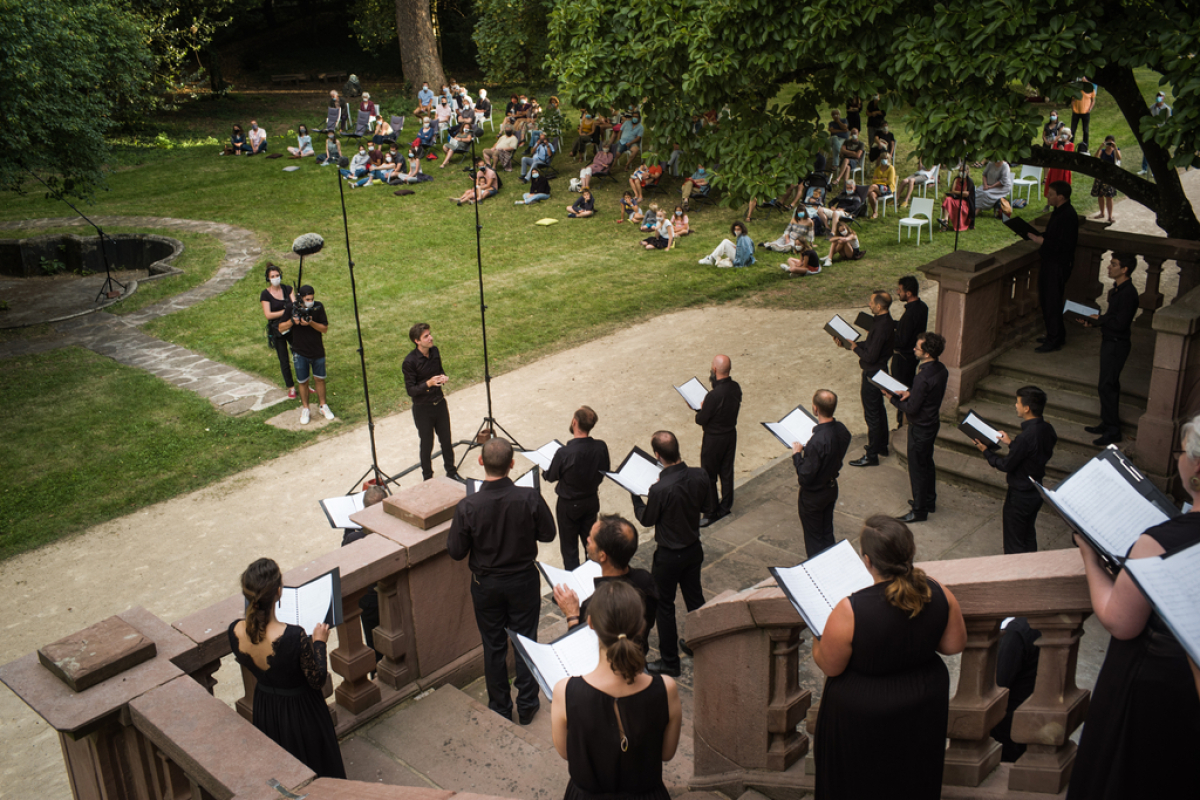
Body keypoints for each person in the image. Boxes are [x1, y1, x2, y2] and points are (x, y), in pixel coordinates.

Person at [1066, 415, 1200, 800]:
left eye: (1181, 452)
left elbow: (1120, 620)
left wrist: (1090, 556)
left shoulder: (1159, 542)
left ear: (1197, 468)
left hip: (1157, 688)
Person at [813, 516, 967, 800]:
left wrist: (818, 637)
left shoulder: (851, 610)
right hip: (922, 704)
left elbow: (830, 665)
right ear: (909, 552)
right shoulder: (938, 591)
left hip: (863, 715)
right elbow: (954, 644)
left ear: (868, 561)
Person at [447, 437, 556, 724]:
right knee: (526, 641)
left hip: (487, 586)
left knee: (493, 645)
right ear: (512, 464)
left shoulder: (468, 506)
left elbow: (456, 551)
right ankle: (529, 703)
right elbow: (548, 534)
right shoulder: (529, 497)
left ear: (481, 461)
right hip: (523, 582)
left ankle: (500, 707)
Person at [550, 581, 682, 800]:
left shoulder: (565, 691)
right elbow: (667, 754)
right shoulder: (666, 688)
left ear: (590, 623)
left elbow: (566, 753)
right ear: (641, 625)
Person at [228, 558, 346, 778]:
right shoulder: (293, 636)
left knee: (283, 773)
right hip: (302, 712)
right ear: (279, 593)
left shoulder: (235, 630)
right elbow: (317, 680)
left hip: (266, 707)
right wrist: (319, 642)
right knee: (317, 770)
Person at [631, 431, 716, 677]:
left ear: (657, 456)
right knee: (695, 599)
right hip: (693, 548)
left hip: (668, 556)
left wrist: (636, 497)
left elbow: (647, 519)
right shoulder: (700, 475)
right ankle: (703, 645)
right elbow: (709, 508)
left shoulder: (660, 489)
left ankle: (670, 661)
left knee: (664, 607)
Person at [553, 515, 658, 652]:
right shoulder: (646, 580)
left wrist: (572, 616)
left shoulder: (595, 605)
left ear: (603, 556)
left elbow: (586, 649)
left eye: (592, 539)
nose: (587, 540)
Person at [972, 385, 1057, 554]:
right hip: (1036, 490)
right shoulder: (1047, 429)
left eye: (1017, 402)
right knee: (1028, 535)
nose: (1015, 405)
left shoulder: (1025, 438)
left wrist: (986, 452)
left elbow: (1006, 465)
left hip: (1020, 495)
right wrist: (1011, 443)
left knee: (1014, 541)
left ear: (1027, 408)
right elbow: (1031, 455)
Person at [883, 333, 948, 522]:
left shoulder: (922, 377)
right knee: (927, 463)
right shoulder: (940, 369)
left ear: (927, 353)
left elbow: (911, 408)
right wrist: (910, 392)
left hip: (920, 427)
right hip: (932, 423)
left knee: (918, 468)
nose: (914, 349)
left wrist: (892, 398)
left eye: (918, 347)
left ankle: (920, 510)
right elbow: (925, 393)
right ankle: (929, 500)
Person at [1079, 251, 1138, 446]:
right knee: (1105, 384)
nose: (1109, 267)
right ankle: (1107, 423)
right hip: (1110, 341)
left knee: (1108, 385)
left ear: (1125, 269)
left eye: (1113, 264)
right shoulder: (1117, 290)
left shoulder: (1129, 293)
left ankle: (1113, 430)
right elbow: (1112, 319)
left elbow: (1120, 323)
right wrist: (1095, 323)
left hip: (1117, 344)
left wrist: (1099, 320)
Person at [833, 290, 896, 466]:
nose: (869, 305)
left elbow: (870, 356)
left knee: (872, 414)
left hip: (873, 373)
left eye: (871, 302)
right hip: (879, 371)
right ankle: (881, 445)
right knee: (878, 410)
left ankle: (872, 453)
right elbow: (871, 346)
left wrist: (854, 347)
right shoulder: (885, 322)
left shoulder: (881, 326)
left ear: (879, 305)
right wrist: (850, 345)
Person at [545, 406, 611, 570]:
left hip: (568, 506)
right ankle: (593, 581)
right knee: (591, 545)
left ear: (574, 422)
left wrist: (546, 472)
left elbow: (551, 476)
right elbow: (605, 470)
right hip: (590, 501)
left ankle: (575, 586)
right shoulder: (600, 447)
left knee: (569, 549)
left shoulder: (564, 453)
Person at [792, 389, 852, 556]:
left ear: (815, 409)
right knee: (826, 532)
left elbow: (805, 476)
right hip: (830, 488)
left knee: (814, 540)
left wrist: (797, 455)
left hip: (814, 496)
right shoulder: (841, 430)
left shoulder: (818, 441)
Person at [1028, 180, 1079, 353]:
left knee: (1052, 301)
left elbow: (1063, 244)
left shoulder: (1067, 215)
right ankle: (1055, 334)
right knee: (1048, 300)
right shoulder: (1060, 212)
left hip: (1058, 265)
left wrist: (1042, 241)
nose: (1047, 197)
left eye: (1050, 194)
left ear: (1061, 197)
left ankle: (1054, 339)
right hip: (1051, 262)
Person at [339, 485, 389, 663]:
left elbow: (345, 555)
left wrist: (348, 528)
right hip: (387, 594)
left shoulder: (354, 538)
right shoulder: (391, 529)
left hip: (368, 600)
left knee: (372, 642)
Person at [403, 323, 459, 481]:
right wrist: (428, 383)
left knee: (446, 441)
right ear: (417, 341)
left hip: (439, 403)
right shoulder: (410, 362)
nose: (430, 338)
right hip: (423, 409)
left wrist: (443, 377)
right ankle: (427, 478)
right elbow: (411, 390)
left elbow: (440, 370)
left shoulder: (434, 351)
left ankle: (451, 471)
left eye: (429, 334)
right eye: (426, 336)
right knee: (427, 444)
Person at [276, 285, 333, 425]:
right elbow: (280, 328)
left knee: (320, 379)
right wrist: (292, 322)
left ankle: (323, 406)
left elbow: (324, 329)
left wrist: (311, 323)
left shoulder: (318, 307)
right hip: (300, 351)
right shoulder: (291, 308)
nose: (311, 301)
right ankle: (306, 408)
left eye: (312, 299)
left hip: (317, 350)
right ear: (301, 298)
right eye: (308, 299)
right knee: (303, 381)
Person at [695, 355, 741, 527]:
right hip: (730, 435)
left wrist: (701, 408)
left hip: (714, 439)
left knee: (709, 474)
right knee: (727, 472)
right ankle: (725, 506)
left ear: (714, 369)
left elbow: (701, 419)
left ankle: (711, 511)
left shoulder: (713, 396)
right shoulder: (735, 387)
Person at [890, 276, 928, 426]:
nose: (898, 293)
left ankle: (902, 424)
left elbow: (902, 340)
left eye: (900, 290)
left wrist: (884, 335)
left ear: (909, 293)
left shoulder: (910, 313)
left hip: (902, 360)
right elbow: (906, 327)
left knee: (900, 392)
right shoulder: (922, 307)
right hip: (911, 358)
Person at [260, 264, 297, 400]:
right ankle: (291, 387)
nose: (276, 278)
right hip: (277, 330)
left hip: (291, 327)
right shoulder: (265, 294)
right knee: (284, 359)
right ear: (268, 279)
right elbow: (268, 315)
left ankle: (303, 382)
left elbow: (295, 306)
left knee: (298, 354)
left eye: (277, 275)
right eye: (272, 277)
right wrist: (286, 310)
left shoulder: (288, 289)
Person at [1090, 136, 1121, 222]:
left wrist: (1115, 148)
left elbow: (1119, 158)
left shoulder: (1116, 150)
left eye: (1111, 143)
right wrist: (1100, 147)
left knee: (1109, 196)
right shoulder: (1102, 151)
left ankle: (1110, 216)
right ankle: (1102, 213)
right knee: (1100, 196)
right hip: (1100, 176)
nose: (1109, 145)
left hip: (1110, 176)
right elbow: (1095, 158)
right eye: (1108, 143)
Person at [1043, 128, 1074, 211]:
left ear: (1069, 136)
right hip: (1055, 169)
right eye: (1063, 133)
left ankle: (1062, 205)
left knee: (1063, 188)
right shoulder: (1056, 144)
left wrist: (1062, 149)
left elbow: (1069, 157)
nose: (1064, 135)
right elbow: (1052, 155)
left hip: (1064, 170)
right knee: (1052, 186)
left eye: (1066, 134)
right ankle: (1048, 204)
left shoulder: (1071, 145)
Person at [1140, 92, 1171, 175]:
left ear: (1163, 98)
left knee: (1160, 151)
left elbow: (1169, 121)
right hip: (1153, 131)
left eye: (1160, 96)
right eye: (1157, 96)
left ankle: (1158, 170)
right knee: (1148, 148)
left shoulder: (1166, 109)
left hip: (1161, 132)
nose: (1158, 98)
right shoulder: (1152, 107)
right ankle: (1144, 168)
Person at [1070, 77, 1096, 152]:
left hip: (1086, 113)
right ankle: (1070, 145)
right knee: (1073, 130)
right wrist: (1073, 109)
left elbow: (1093, 101)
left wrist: (1090, 109)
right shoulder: (1077, 89)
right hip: (1076, 113)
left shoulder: (1091, 89)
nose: (1083, 79)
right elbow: (1073, 100)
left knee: (1085, 130)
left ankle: (1085, 146)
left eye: (1085, 79)